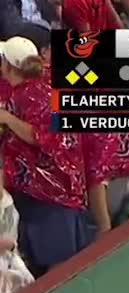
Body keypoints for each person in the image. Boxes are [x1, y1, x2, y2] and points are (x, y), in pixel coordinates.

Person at [0, 36, 92, 277]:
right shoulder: (35, 84)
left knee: (58, 272)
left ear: (9, 66)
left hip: (52, 196)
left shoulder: (37, 95)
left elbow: (40, 136)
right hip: (37, 193)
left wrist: (8, 120)